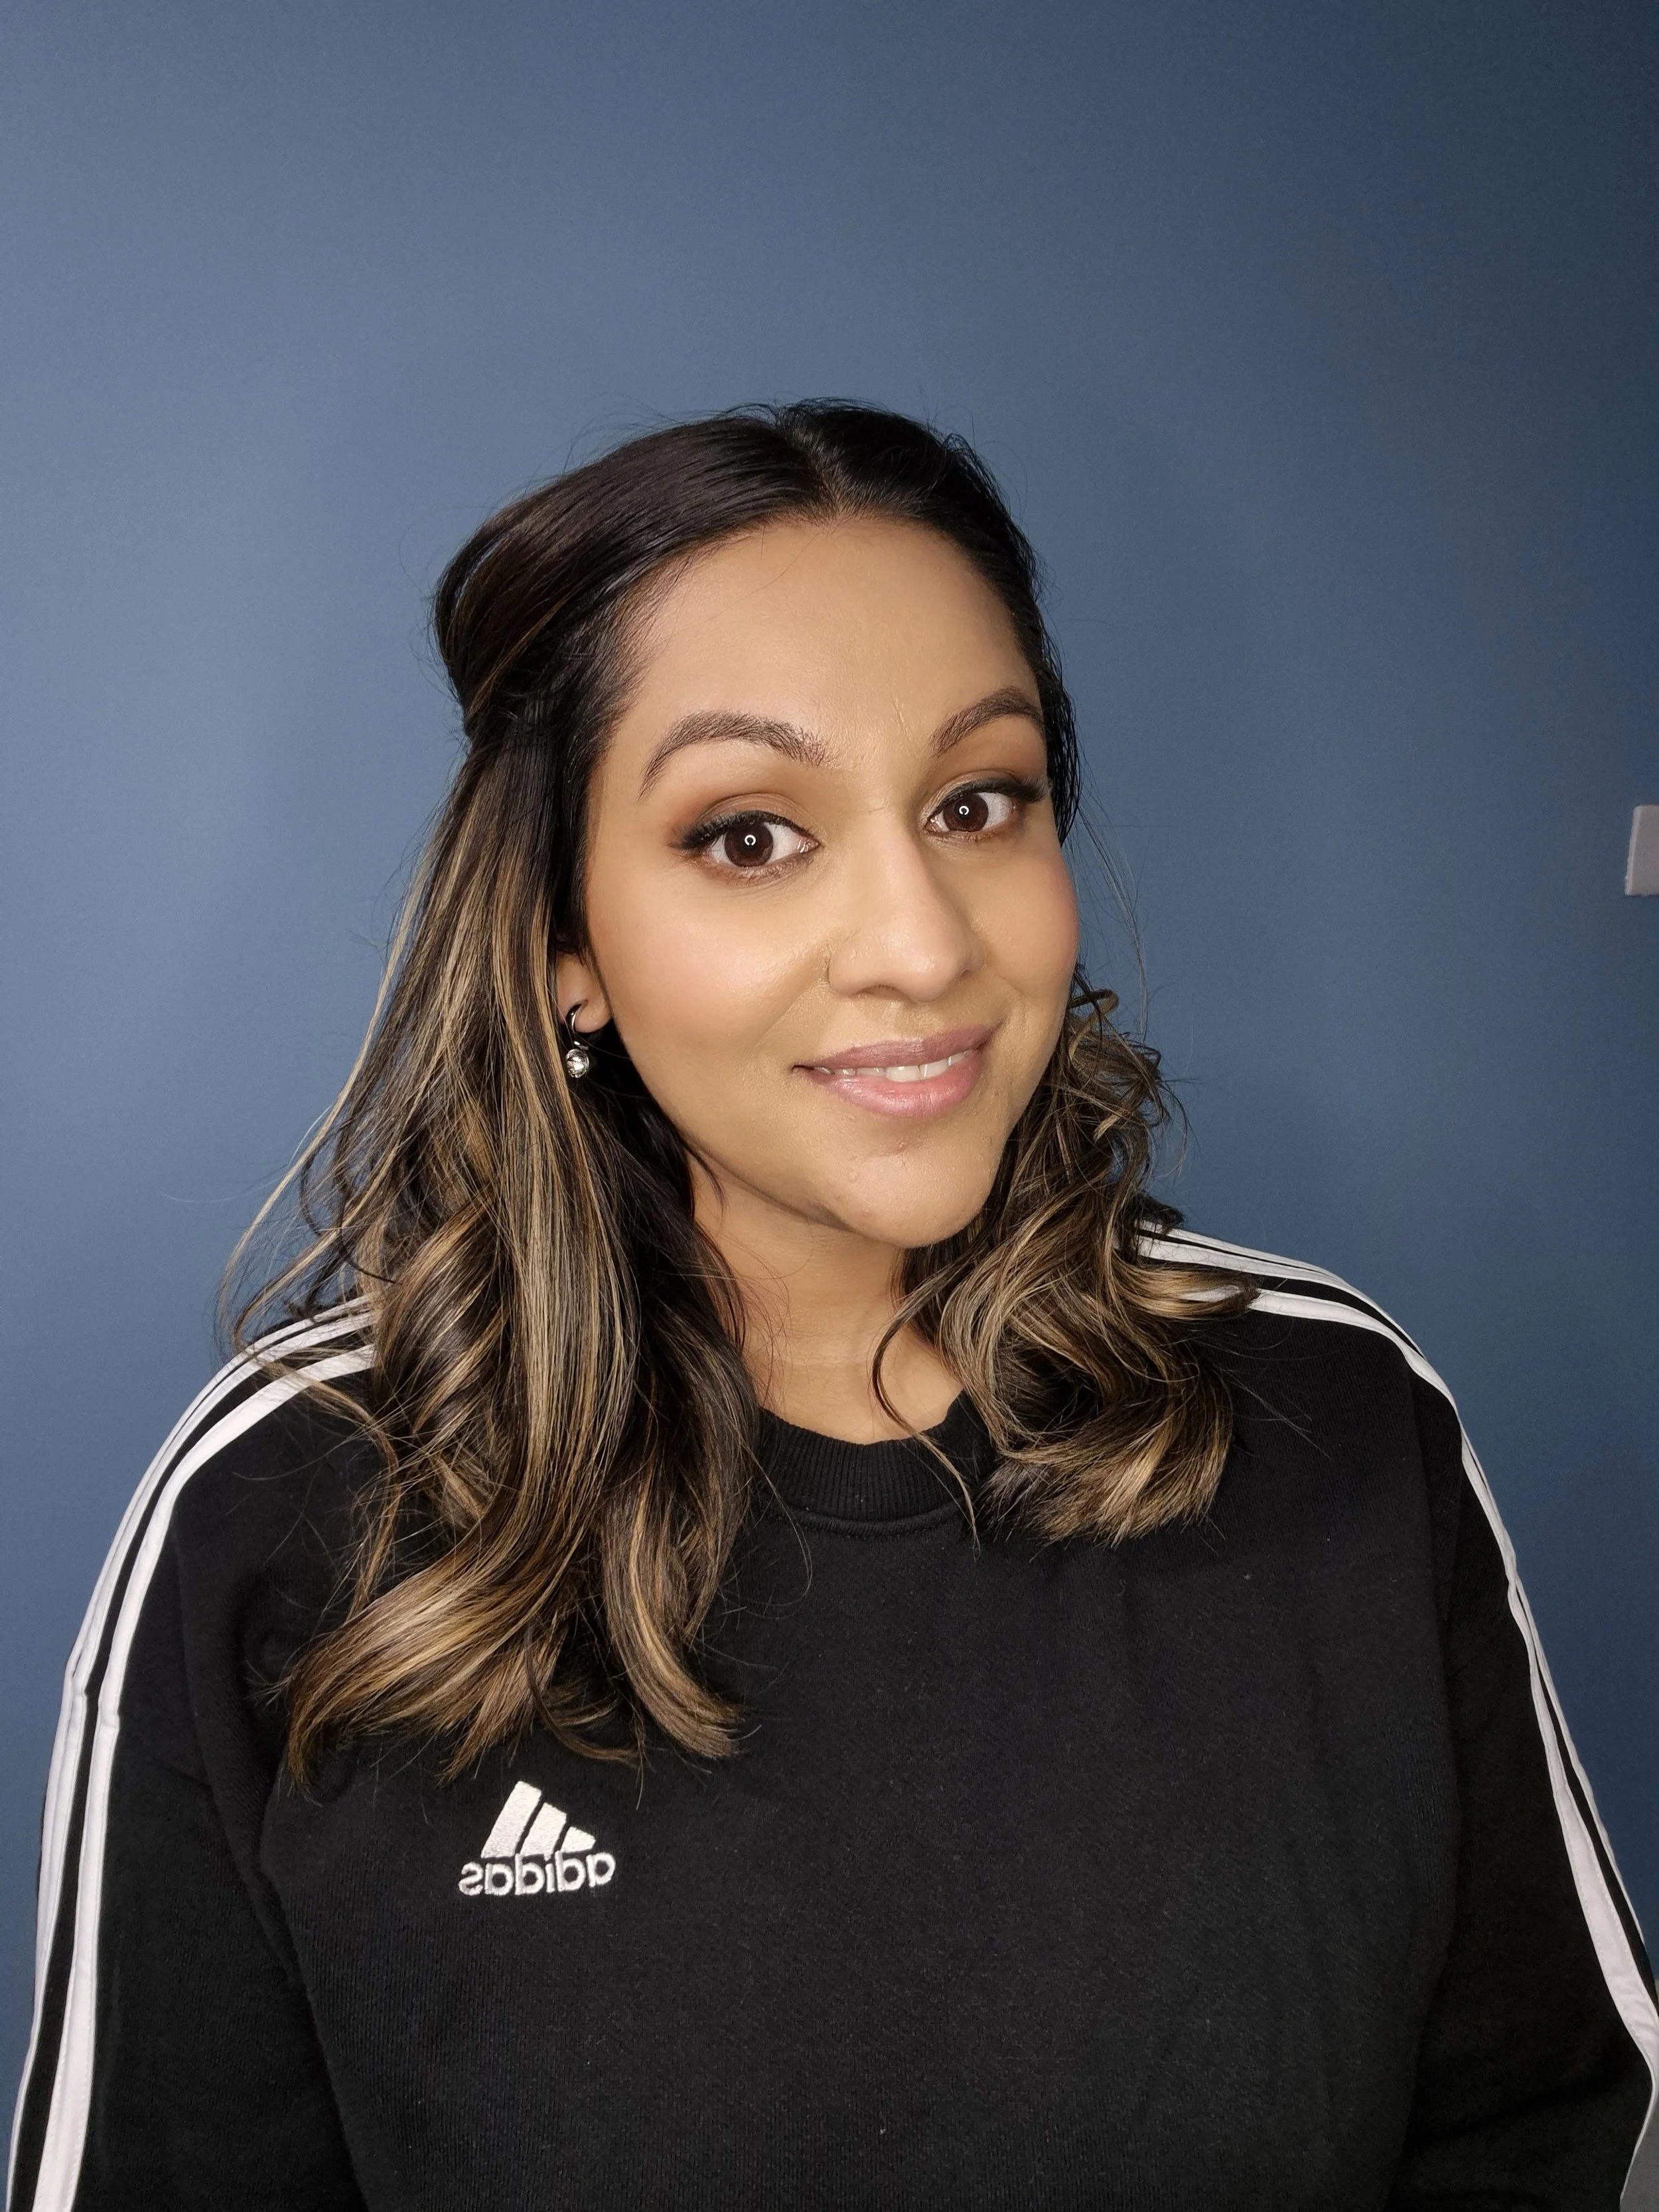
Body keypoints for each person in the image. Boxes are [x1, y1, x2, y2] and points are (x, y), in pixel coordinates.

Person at [10, 403, 1656, 2212]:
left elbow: (1541, 2126)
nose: (922, 941)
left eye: (978, 801)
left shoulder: (1336, 1420)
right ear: (566, 944)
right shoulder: (286, 1514)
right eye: (746, 834)